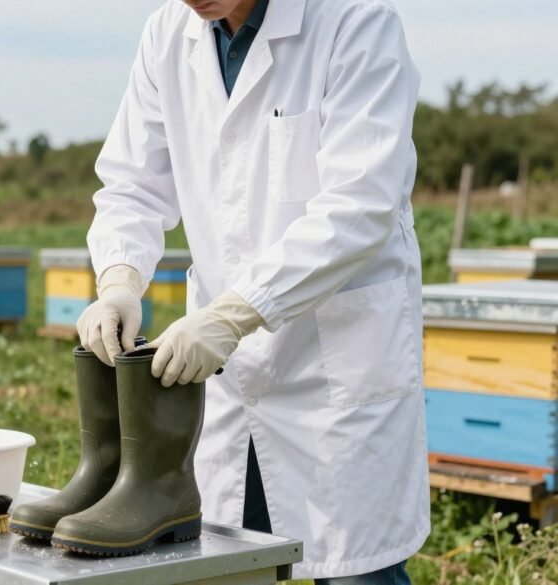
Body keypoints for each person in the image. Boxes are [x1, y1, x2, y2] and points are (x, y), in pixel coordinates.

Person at [77, 0, 428, 582]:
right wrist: (119, 278)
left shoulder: (355, 21)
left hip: (334, 367)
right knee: (229, 562)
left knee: (355, 570)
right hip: (230, 379)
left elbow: (361, 202)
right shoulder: (169, 33)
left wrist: (236, 314)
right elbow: (133, 185)